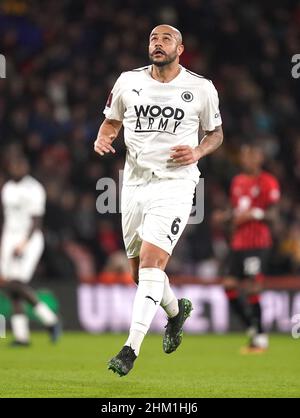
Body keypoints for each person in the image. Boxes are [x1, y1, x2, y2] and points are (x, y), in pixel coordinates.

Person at [94, 24, 223, 376]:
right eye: (153, 38)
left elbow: (216, 134)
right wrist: (102, 138)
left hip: (177, 184)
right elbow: (111, 123)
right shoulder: (127, 82)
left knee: (153, 264)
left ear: (180, 48)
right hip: (134, 185)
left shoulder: (200, 88)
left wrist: (197, 151)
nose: (158, 43)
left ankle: (129, 349)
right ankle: (175, 313)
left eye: (166, 39)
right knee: (139, 274)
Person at [217, 143, 280, 352]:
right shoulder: (237, 181)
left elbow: (274, 216)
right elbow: (235, 212)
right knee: (228, 286)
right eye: (244, 156)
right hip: (238, 243)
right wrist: (225, 217)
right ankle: (251, 328)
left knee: (253, 286)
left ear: (259, 158)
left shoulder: (268, 182)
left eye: (252, 155)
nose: (247, 160)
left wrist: (254, 214)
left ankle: (261, 334)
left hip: (258, 244)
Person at [0, 155, 61, 346]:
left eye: (20, 165)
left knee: (16, 284)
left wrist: (24, 243)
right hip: (9, 238)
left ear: (26, 167)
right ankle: (22, 336)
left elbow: (36, 221)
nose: (17, 168)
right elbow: (6, 218)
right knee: (10, 288)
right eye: (14, 165)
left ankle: (51, 319)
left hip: (29, 239)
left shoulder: (34, 189)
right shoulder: (8, 188)